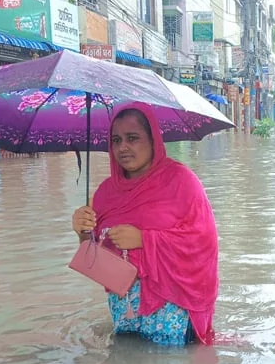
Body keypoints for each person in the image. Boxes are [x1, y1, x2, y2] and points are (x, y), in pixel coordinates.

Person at [70, 103, 220, 346]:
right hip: (123, 306)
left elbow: (203, 242)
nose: (123, 147)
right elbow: (95, 261)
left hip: (171, 306)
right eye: (116, 140)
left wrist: (144, 239)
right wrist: (82, 233)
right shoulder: (105, 193)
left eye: (133, 138)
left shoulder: (182, 182)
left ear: (153, 140)